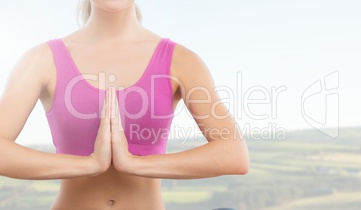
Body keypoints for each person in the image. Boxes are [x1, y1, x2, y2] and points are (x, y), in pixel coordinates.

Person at [0, 0, 249, 209]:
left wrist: (134, 163)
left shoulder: (181, 61)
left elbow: (233, 153)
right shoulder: (41, 59)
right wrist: (89, 163)